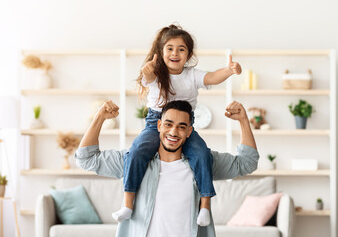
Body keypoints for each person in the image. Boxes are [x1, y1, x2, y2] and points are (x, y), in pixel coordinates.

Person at [115, 24, 242, 226]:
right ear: (161, 52)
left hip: (184, 125)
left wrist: (228, 70)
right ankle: (128, 204)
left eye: (181, 49)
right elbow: (148, 78)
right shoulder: (156, 73)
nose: (175, 53)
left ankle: (205, 207)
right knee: (137, 150)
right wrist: (146, 71)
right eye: (170, 48)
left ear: (189, 54)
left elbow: (211, 77)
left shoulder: (192, 75)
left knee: (201, 154)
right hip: (156, 123)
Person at [75, 100, 259, 237]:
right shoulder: (134, 162)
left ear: (189, 132)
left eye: (181, 127)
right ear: (159, 125)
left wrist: (243, 120)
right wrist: (99, 118)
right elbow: (86, 158)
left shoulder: (203, 163)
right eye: (168, 125)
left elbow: (247, 163)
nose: (173, 132)